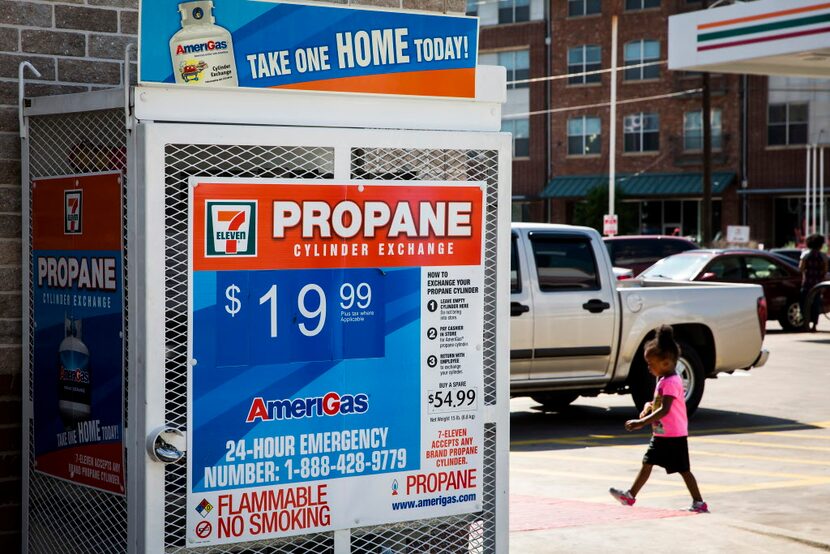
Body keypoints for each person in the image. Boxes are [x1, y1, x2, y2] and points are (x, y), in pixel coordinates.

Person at [609, 325, 708, 513]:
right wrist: (648, 406)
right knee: (647, 463)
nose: (648, 368)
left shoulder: (671, 381)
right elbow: (658, 404)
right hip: (662, 433)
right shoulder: (663, 379)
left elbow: (665, 409)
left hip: (673, 435)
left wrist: (641, 423)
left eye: (651, 364)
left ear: (666, 362)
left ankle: (699, 502)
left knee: (683, 470)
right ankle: (630, 496)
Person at [800, 234, 829, 332]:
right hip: (817, 284)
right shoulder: (823, 256)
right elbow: (825, 271)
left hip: (807, 283)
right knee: (815, 304)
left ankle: (805, 323)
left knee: (804, 304)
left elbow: (801, 268)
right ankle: (814, 326)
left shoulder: (805, 255)